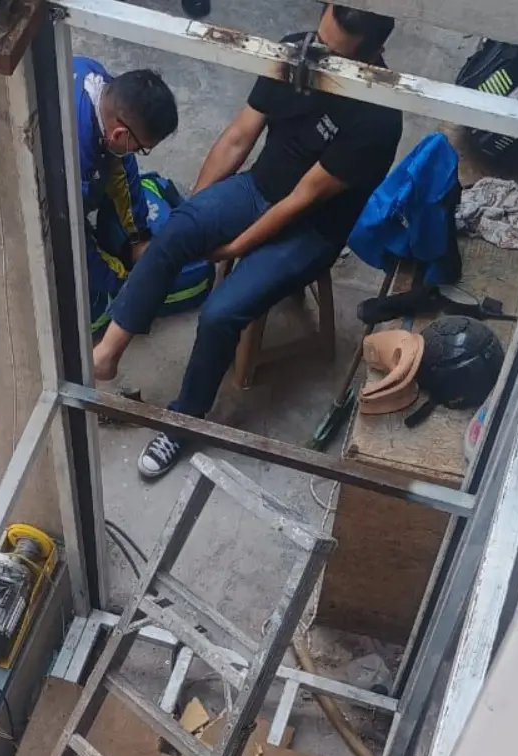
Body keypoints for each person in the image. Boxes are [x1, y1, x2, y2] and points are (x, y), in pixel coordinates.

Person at [92, 4, 404, 479]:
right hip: (259, 188)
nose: (314, 56)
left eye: (329, 54)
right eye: (316, 42)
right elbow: (239, 136)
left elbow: (302, 199)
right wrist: (196, 213)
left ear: (369, 54)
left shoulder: (378, 118)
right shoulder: (297, 52)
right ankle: (107, 354)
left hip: (308, 230)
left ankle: (184, 420)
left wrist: (235, 248)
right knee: (177, 229)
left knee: (220, 314)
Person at [0, 59, 178, 334]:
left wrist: (139, 235)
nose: (138, 154)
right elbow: (67, 238)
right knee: (86, 311)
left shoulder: (98, 82)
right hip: (8, 196)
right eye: (141, 148)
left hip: (36, 173)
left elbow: (122, 168)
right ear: (119, 133)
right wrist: (123, 282)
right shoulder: (68, 161)